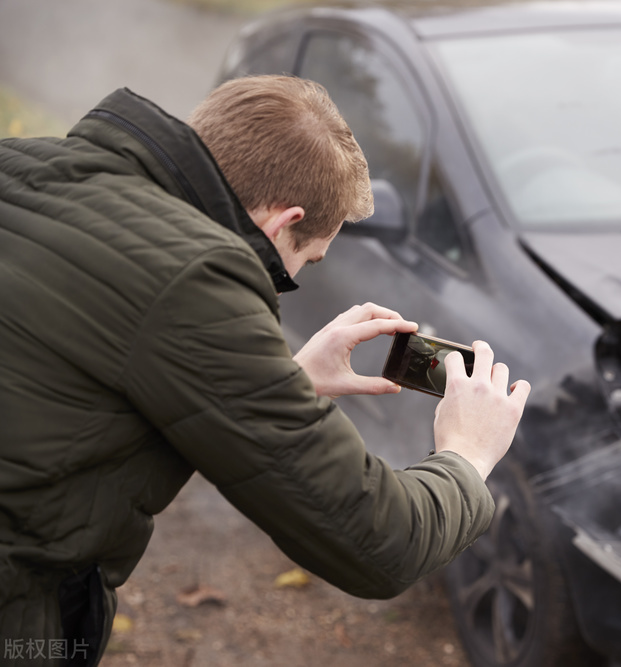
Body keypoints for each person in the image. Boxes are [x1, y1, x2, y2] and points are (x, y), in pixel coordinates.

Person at [0, 75, 530, 667]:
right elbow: (379, 542)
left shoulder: (21, 165)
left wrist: (283, 381)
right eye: (302, 262)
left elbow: (89, 375)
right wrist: (467, 454)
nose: (291, 280)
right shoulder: (193, 282)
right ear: (282, 224)